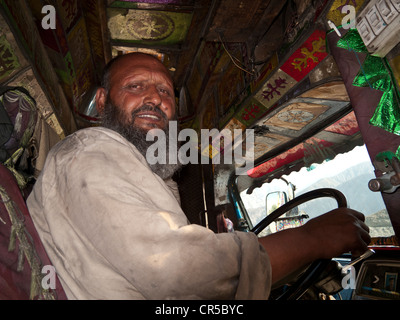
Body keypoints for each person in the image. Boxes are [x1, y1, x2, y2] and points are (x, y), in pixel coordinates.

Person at [27, 53, 371, 300]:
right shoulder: (88, 149)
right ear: (102, 102)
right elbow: (177, 271)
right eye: (135, 86)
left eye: (165, 92)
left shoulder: (146, 174)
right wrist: (311, 238)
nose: (154, 98)